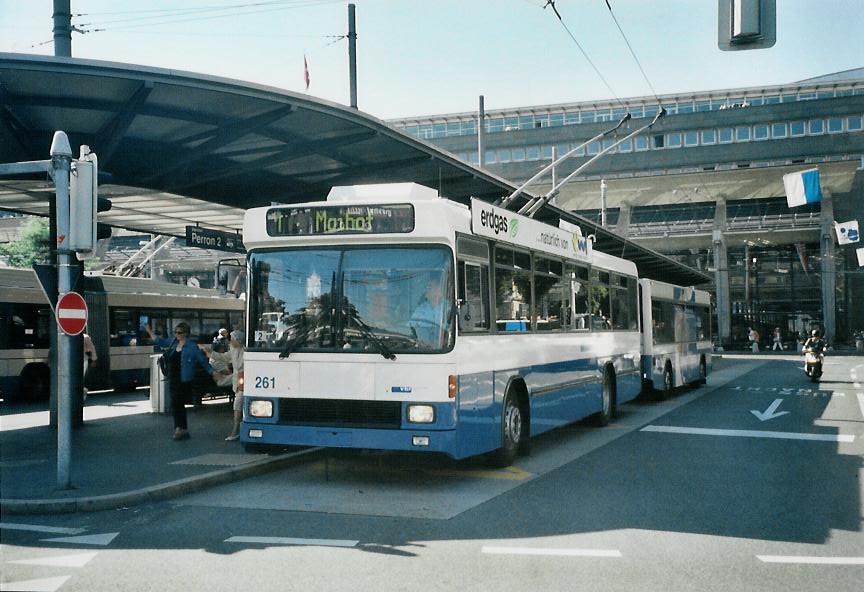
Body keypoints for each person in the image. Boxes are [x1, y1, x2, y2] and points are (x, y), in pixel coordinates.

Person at [147, 322, 223, 440]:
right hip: (173, 378)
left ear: (186, 334)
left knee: (178, 402)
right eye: (175, 332)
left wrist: (213, 372)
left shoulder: (192, 347)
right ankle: (182, 428)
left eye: (179, 332)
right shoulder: (173, 343)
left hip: (184, 379)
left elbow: (202, 360)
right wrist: (149, 331)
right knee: (176, 404)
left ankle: (180, 429)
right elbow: (159, 341)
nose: (177, 334)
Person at [210, 329, 245, 441]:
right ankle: (237, 429)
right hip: (238, 381)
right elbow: (224, 357)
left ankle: (236, 430)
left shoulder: (244, 351)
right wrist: (210, 353)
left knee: (238, 404)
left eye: (232, 339)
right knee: (239, 404)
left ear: (238, 340)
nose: (230, 341)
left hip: (243, 382)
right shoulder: (234, 349)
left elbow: (239, 366)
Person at [409, 278, 448, 346]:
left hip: (442, 346)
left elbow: (450, 330)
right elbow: (411, 326)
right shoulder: (421, 308)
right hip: (423, 345)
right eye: (426, 287)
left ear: (439, 290)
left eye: (429, 287)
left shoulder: (448, 308)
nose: (426, 290)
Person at [83, 332, 97, 401]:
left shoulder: (85, 337)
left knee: (81, 377)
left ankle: (83, 393)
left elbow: (92, 348)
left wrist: (93, 359)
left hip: (83, 359)